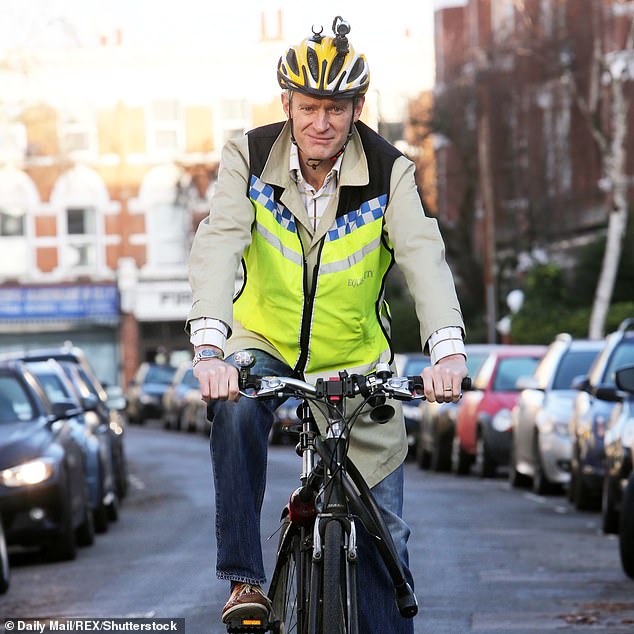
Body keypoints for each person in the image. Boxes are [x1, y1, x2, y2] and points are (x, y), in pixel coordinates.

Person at [187, 16, 468, 632]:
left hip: (356, 361)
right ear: (286, 102)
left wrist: (447, 351)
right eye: (309, 106)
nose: (322, 123)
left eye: (337, 109)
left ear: (357, 108)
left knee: (385, 539)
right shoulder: (249, 157)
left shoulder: (390, 171)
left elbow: (424, 256)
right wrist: (210, 347)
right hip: (264, 346)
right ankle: (243, 580)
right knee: (233, 409)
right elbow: (219, 245)